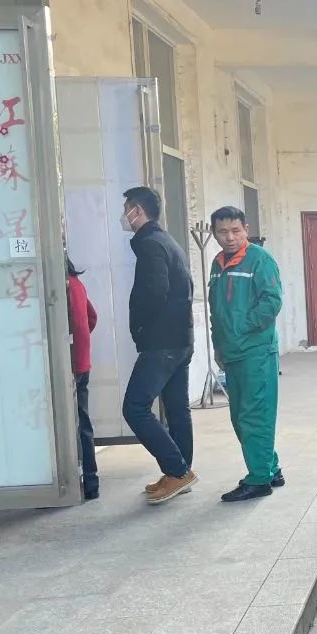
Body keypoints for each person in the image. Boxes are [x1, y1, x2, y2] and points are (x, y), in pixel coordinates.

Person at [121, 186, 197, 506]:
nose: (124, 216)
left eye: (126, 209)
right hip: (180, 339)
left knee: (135, 407)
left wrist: (139, 326)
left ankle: (177, 470)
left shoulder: (150, 244)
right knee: (177, 408)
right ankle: (181, 472)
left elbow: (154, 293)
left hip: (162, 343)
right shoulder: (166, 240)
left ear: (137, 210)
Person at [207, 206, 284, 503]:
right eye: (222, 232)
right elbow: (216, 309)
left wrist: (241, 328)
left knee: (254, 416)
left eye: (235, 231)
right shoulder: (217, 264)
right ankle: (270, 468)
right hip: (232, 352)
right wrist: (219, 344)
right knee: (241, 417)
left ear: (246, 230)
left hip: (256, 352)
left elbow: (271, 302)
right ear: (214, 233)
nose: (230, 237)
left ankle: (259, 479)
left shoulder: (260, 260)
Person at [67, 257, 99, 501]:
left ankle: (64, 482)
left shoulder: (58, 287)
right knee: (83, 423)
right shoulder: (77, 283)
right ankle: (91, 482)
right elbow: (91, 318)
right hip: (82, 362)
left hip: (68, 364)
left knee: (63, 425)